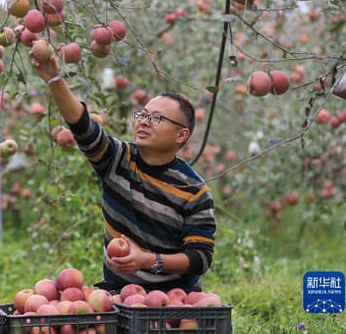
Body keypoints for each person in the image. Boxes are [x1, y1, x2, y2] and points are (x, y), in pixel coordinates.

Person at [31, 54, 216, 293]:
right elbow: (83, 128)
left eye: (157, 118)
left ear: (181, 135)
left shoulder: (194, 190)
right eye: (143, 115)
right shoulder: (117, 160)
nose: (144, 122)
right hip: (118, 296)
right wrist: (54, 79)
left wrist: (149, 260)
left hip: (175, 300)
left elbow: (200, 258)